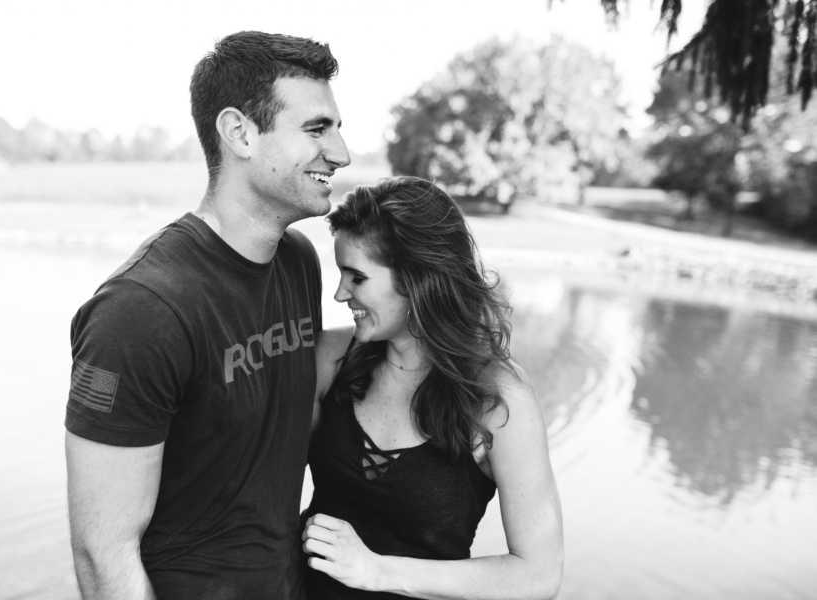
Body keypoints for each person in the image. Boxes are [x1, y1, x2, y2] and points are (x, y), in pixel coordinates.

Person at [64, 31, 350, 600]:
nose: (341, 153)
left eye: (336, 130)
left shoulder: (298, 261)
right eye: (317, 129)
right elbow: (103, 554)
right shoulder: (139, 310)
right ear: (239, 133)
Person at [302, 177, 563, 599]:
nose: (338, 293)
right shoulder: (329, 358)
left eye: (357, 278)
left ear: (416, 279)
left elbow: (538, 575)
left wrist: (377, 571)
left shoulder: (498, 400)